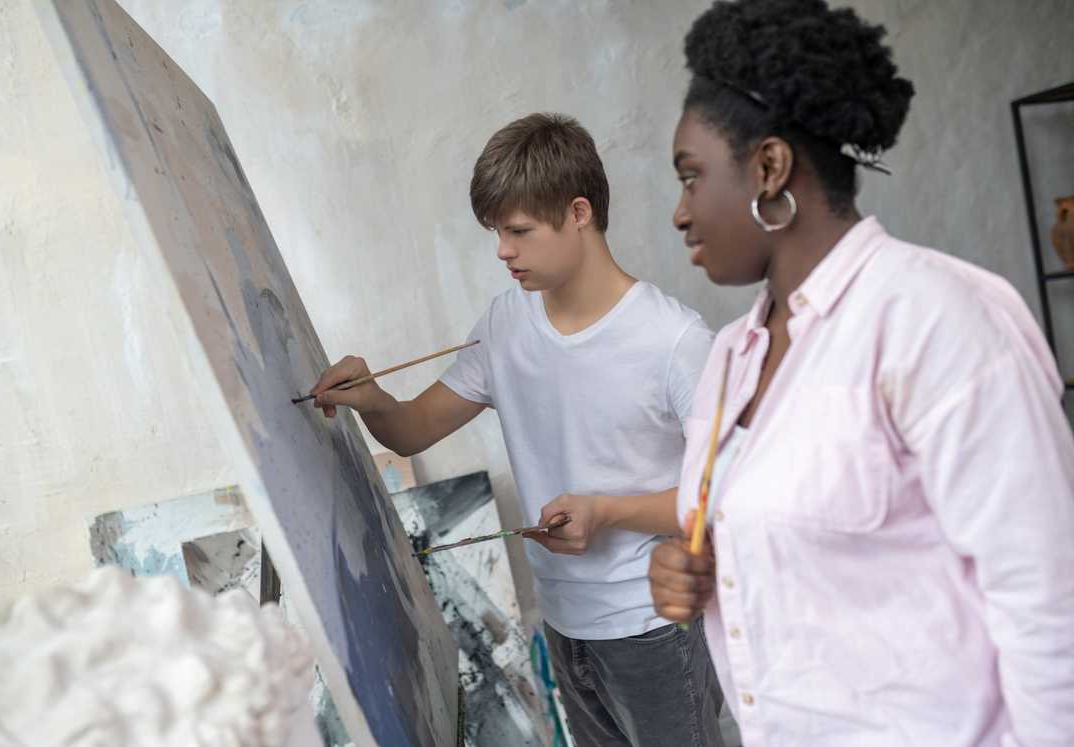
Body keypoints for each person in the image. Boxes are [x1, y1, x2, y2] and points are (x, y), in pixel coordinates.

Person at [648, 1, 1074, 745]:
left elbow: (1050, 606)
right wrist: (697, 570)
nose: (681, 213)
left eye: (692, 177)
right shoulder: (730, 358)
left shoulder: (932, 320)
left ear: (769, 167)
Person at [312, 113, 725, 745]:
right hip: (565, 627)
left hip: (655, 629)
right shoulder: (506, 324)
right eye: (497, 232)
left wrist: (606, 511)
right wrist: (372, 399)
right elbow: (413, 430)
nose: (503, 250)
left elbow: (722, 501)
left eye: (519, 231)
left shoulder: (675, 342)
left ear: (579, 212)